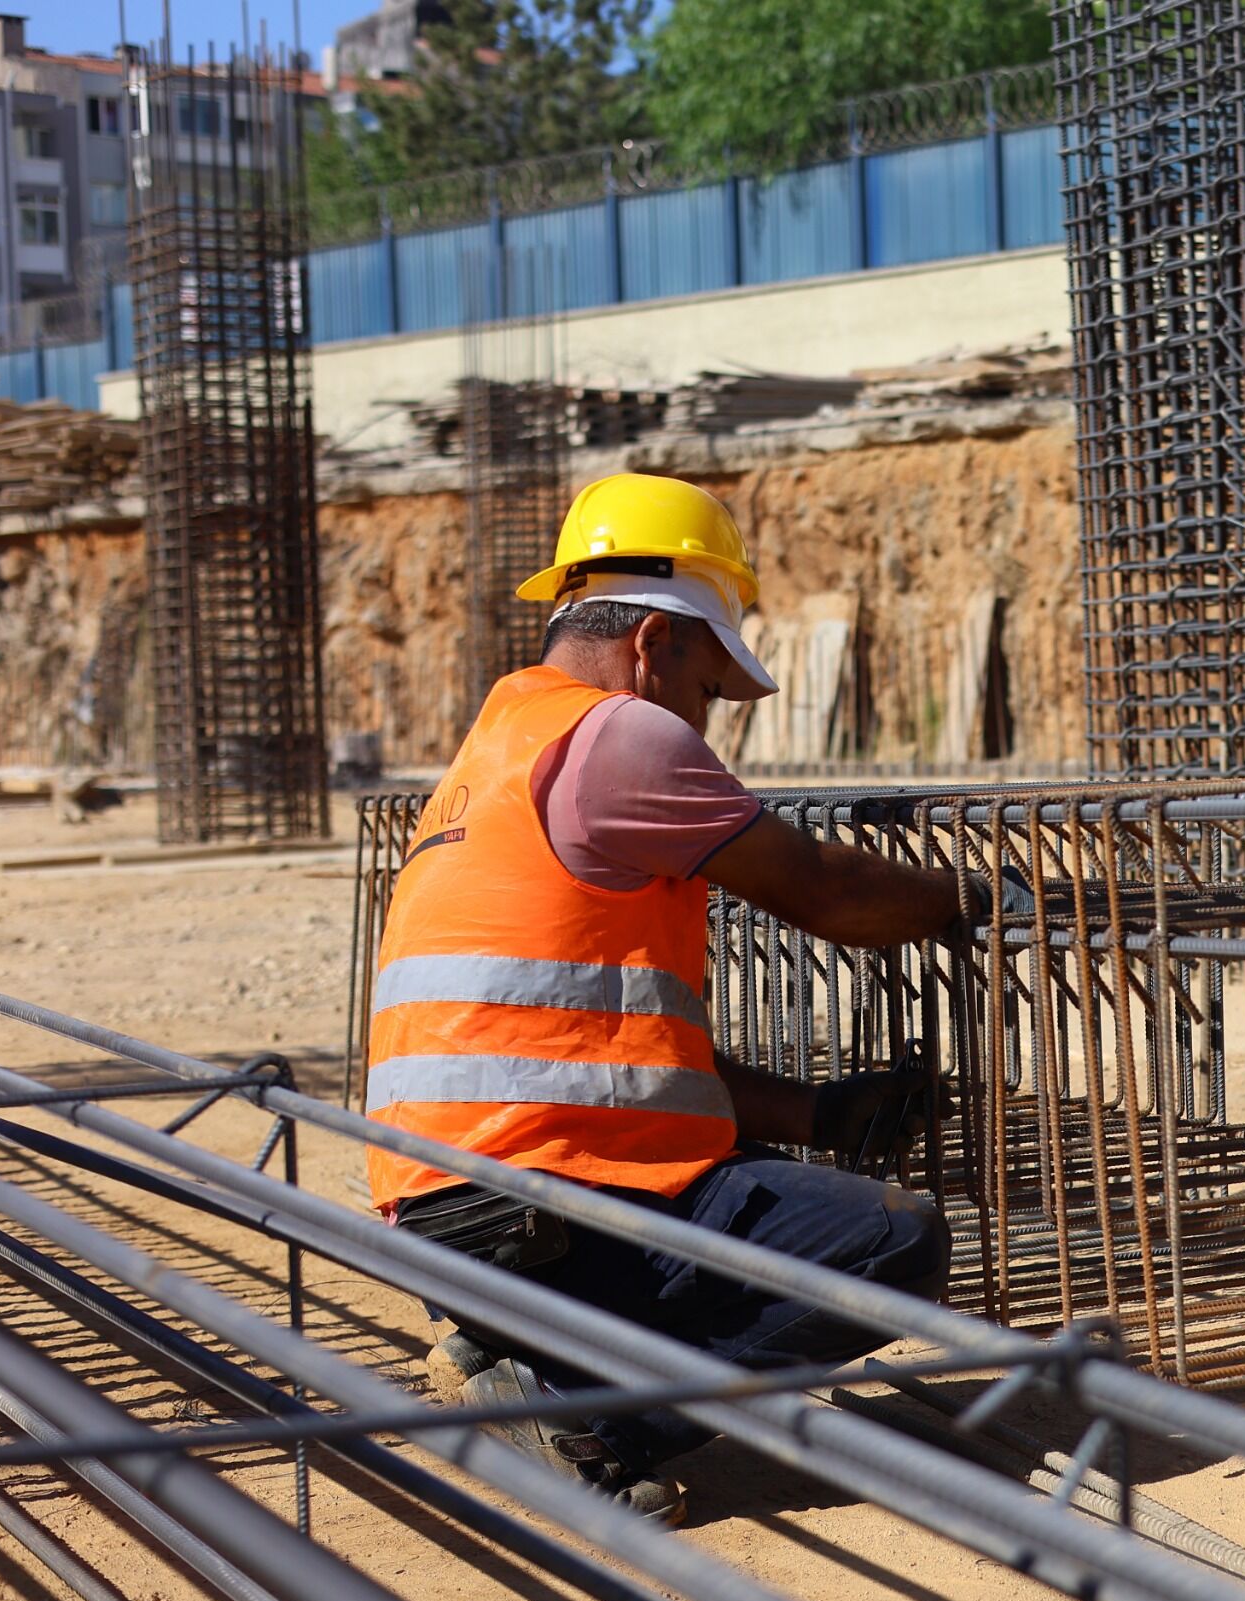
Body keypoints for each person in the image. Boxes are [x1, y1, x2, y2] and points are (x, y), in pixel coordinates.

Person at [363, 472, 979, 1525]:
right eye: (706, 688)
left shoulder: (494, 752)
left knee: (776, 1188)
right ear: (653, 644)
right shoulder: (616, 737)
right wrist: (978, 899)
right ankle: (584, 1416)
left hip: (461, 1211)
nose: (707, 723)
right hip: (536, 1210)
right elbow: (826, 891)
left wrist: (817, 1114)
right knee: (893, 1240)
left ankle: (520, 1344)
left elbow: (611, 1054)